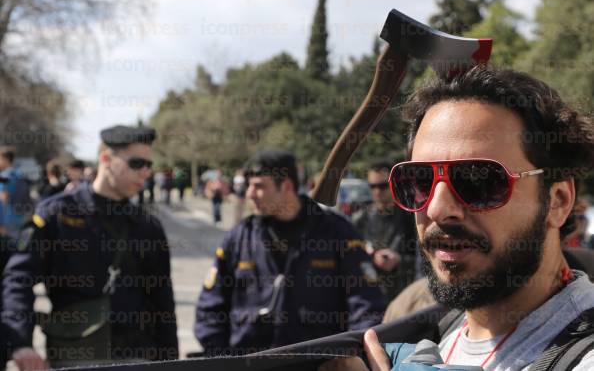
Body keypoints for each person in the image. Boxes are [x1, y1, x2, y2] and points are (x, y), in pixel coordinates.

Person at [323, 66, 594, 370]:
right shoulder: (426, 334)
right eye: (420, 180)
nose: (438, 209)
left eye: (477, 180)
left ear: (558, 201)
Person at [2, 125, 178, 369]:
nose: (145, 172)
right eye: (137, 163)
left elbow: (162, 301)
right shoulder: (58, 214)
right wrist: (20, 341)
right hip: (76, 356)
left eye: (149, 165)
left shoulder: (147, 226)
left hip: (137, 356)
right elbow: (19, 277)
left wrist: (170, 361)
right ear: (106, 158)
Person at [194, 149, 385, 356]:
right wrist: (222, 359)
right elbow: (210, 309)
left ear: (286, 186)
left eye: (259, 186)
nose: (249, 194)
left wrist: (349, 358)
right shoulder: (239, 238)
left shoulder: (337, 233)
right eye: (249, 185)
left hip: (317, 365)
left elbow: (366, 306)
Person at [352, 160, 418, 303]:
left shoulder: (411, 217)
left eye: (382, 186)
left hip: (404, 297)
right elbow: (350, 259)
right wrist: (370, 256)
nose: (377, 191)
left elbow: (425, 261)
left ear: (393, 184)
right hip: (371, 297)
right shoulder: (359, 220)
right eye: (372, 186)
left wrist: (399, 260)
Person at [0, 146, 30, 238]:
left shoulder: (5, 175)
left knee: (6, 248)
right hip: (20, 217)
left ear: (5, 159)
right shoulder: (19, 174)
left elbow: (4, 199)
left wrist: (1, 224)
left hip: (6, 220)